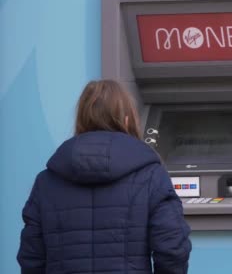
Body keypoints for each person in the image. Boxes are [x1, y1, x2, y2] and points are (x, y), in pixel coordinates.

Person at [17, 80, 192, 274]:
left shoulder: (46, 182)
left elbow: (31, 258)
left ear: (82, 120)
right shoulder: (151, 175)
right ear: (126, 120)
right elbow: (172, 250)